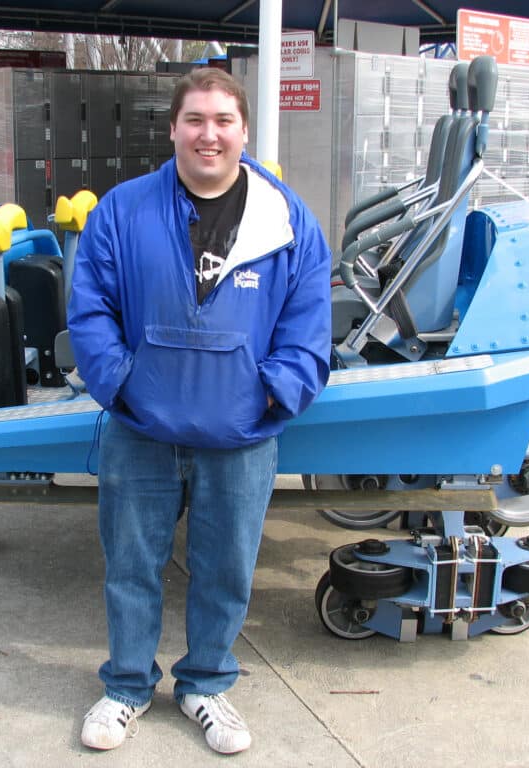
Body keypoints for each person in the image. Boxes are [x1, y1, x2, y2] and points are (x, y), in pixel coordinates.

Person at [67, 67, 331, 755]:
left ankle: (206, 684)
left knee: (226, 568)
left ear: (244, 130)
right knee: (130, 565)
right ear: (174, 127)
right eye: (195, 120)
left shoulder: (285, 218)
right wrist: (119, 384)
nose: (208, 134)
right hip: (141, 428)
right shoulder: (122, 213)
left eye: (222, 121)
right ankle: (126, 687)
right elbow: (90, 305)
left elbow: (309, 324)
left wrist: (274, 392)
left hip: (242, 433)